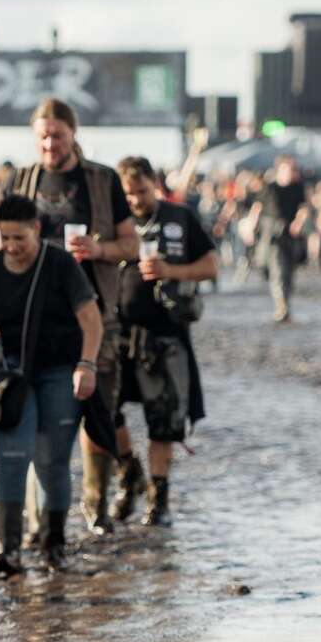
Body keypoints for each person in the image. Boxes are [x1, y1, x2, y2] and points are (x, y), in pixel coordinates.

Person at [5, 97, 138, 536]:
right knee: (35, 418)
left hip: (95, 312)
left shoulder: (101, 180)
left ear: (73, 134)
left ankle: (95, 506)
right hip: (34, 318)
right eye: (42, 135)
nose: (50, 143)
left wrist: (99, 250)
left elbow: (131, 244)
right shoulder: (22, 182)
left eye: (57, 135)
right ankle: (40, 519)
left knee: (99, 409)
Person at [0, 195, 102, 572]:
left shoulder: (59, 264)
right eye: (5, 238)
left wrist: (86, 365)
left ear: (36, 230)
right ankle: (8, 550)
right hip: (13, 376)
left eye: (18, 239)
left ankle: (53, 544)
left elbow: (91, 319)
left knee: (51, 461)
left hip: (61, 372)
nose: (11, 247)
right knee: (10, 459)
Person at [111, 157, 217, 526]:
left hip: (166, 333)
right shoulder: (112, 223)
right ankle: (129, 470)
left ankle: (159, 497)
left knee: (164, 421)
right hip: (118, 332)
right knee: (103, 412)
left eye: (142, 191)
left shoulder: (179, 217)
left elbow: (211, 265)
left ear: (155, 184)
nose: (137, 200)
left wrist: (171, 271)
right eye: (129, 193)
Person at [242, 155, 309, 324]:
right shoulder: (269, 188)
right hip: (271, 233)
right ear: (280, 170)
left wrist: (298, 223)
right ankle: (282, 306)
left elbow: (303, 208)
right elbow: (256, 209)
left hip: (290, 234)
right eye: (288, 169)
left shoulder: (298, 187)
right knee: (273, 268)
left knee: (288, 272)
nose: (292, 173)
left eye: (294, 169)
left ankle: (284, 304)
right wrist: (250, 227)